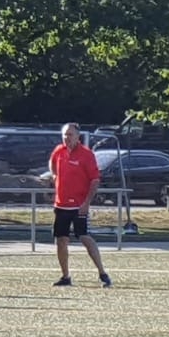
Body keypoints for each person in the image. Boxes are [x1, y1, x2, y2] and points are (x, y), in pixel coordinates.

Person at [48, 123, 111, 287]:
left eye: (70, 134)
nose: (67, 138)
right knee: (61, 240)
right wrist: (55, 177)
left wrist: (86, 203)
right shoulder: (59, 151)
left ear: (78, 136)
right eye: (65, 134)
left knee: (84, 236)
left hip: (78, 205)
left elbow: (95, 180)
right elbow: (52, 165)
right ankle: (65, 276)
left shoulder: (86, 154)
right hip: (61, 205)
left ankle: (102, 273)